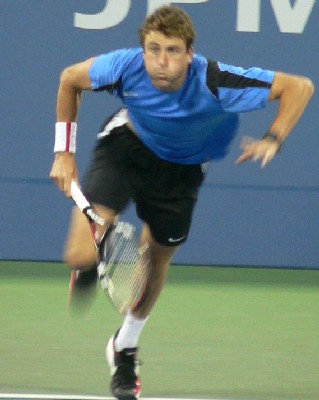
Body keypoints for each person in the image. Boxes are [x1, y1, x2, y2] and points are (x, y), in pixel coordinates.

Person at [50, 5, 314, 400]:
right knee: (77, 255)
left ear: (190, 54)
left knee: (155, 259)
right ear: (141, 51)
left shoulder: (215, 80)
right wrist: (63, 152)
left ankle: (124, 348)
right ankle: (90, 259)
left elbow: (299, 87)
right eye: (153, 49)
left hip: (183, 170)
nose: (161, 61)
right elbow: (70, 79)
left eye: (172, 50)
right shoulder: (123, 66)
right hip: (127, 148)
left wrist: (272, 139)